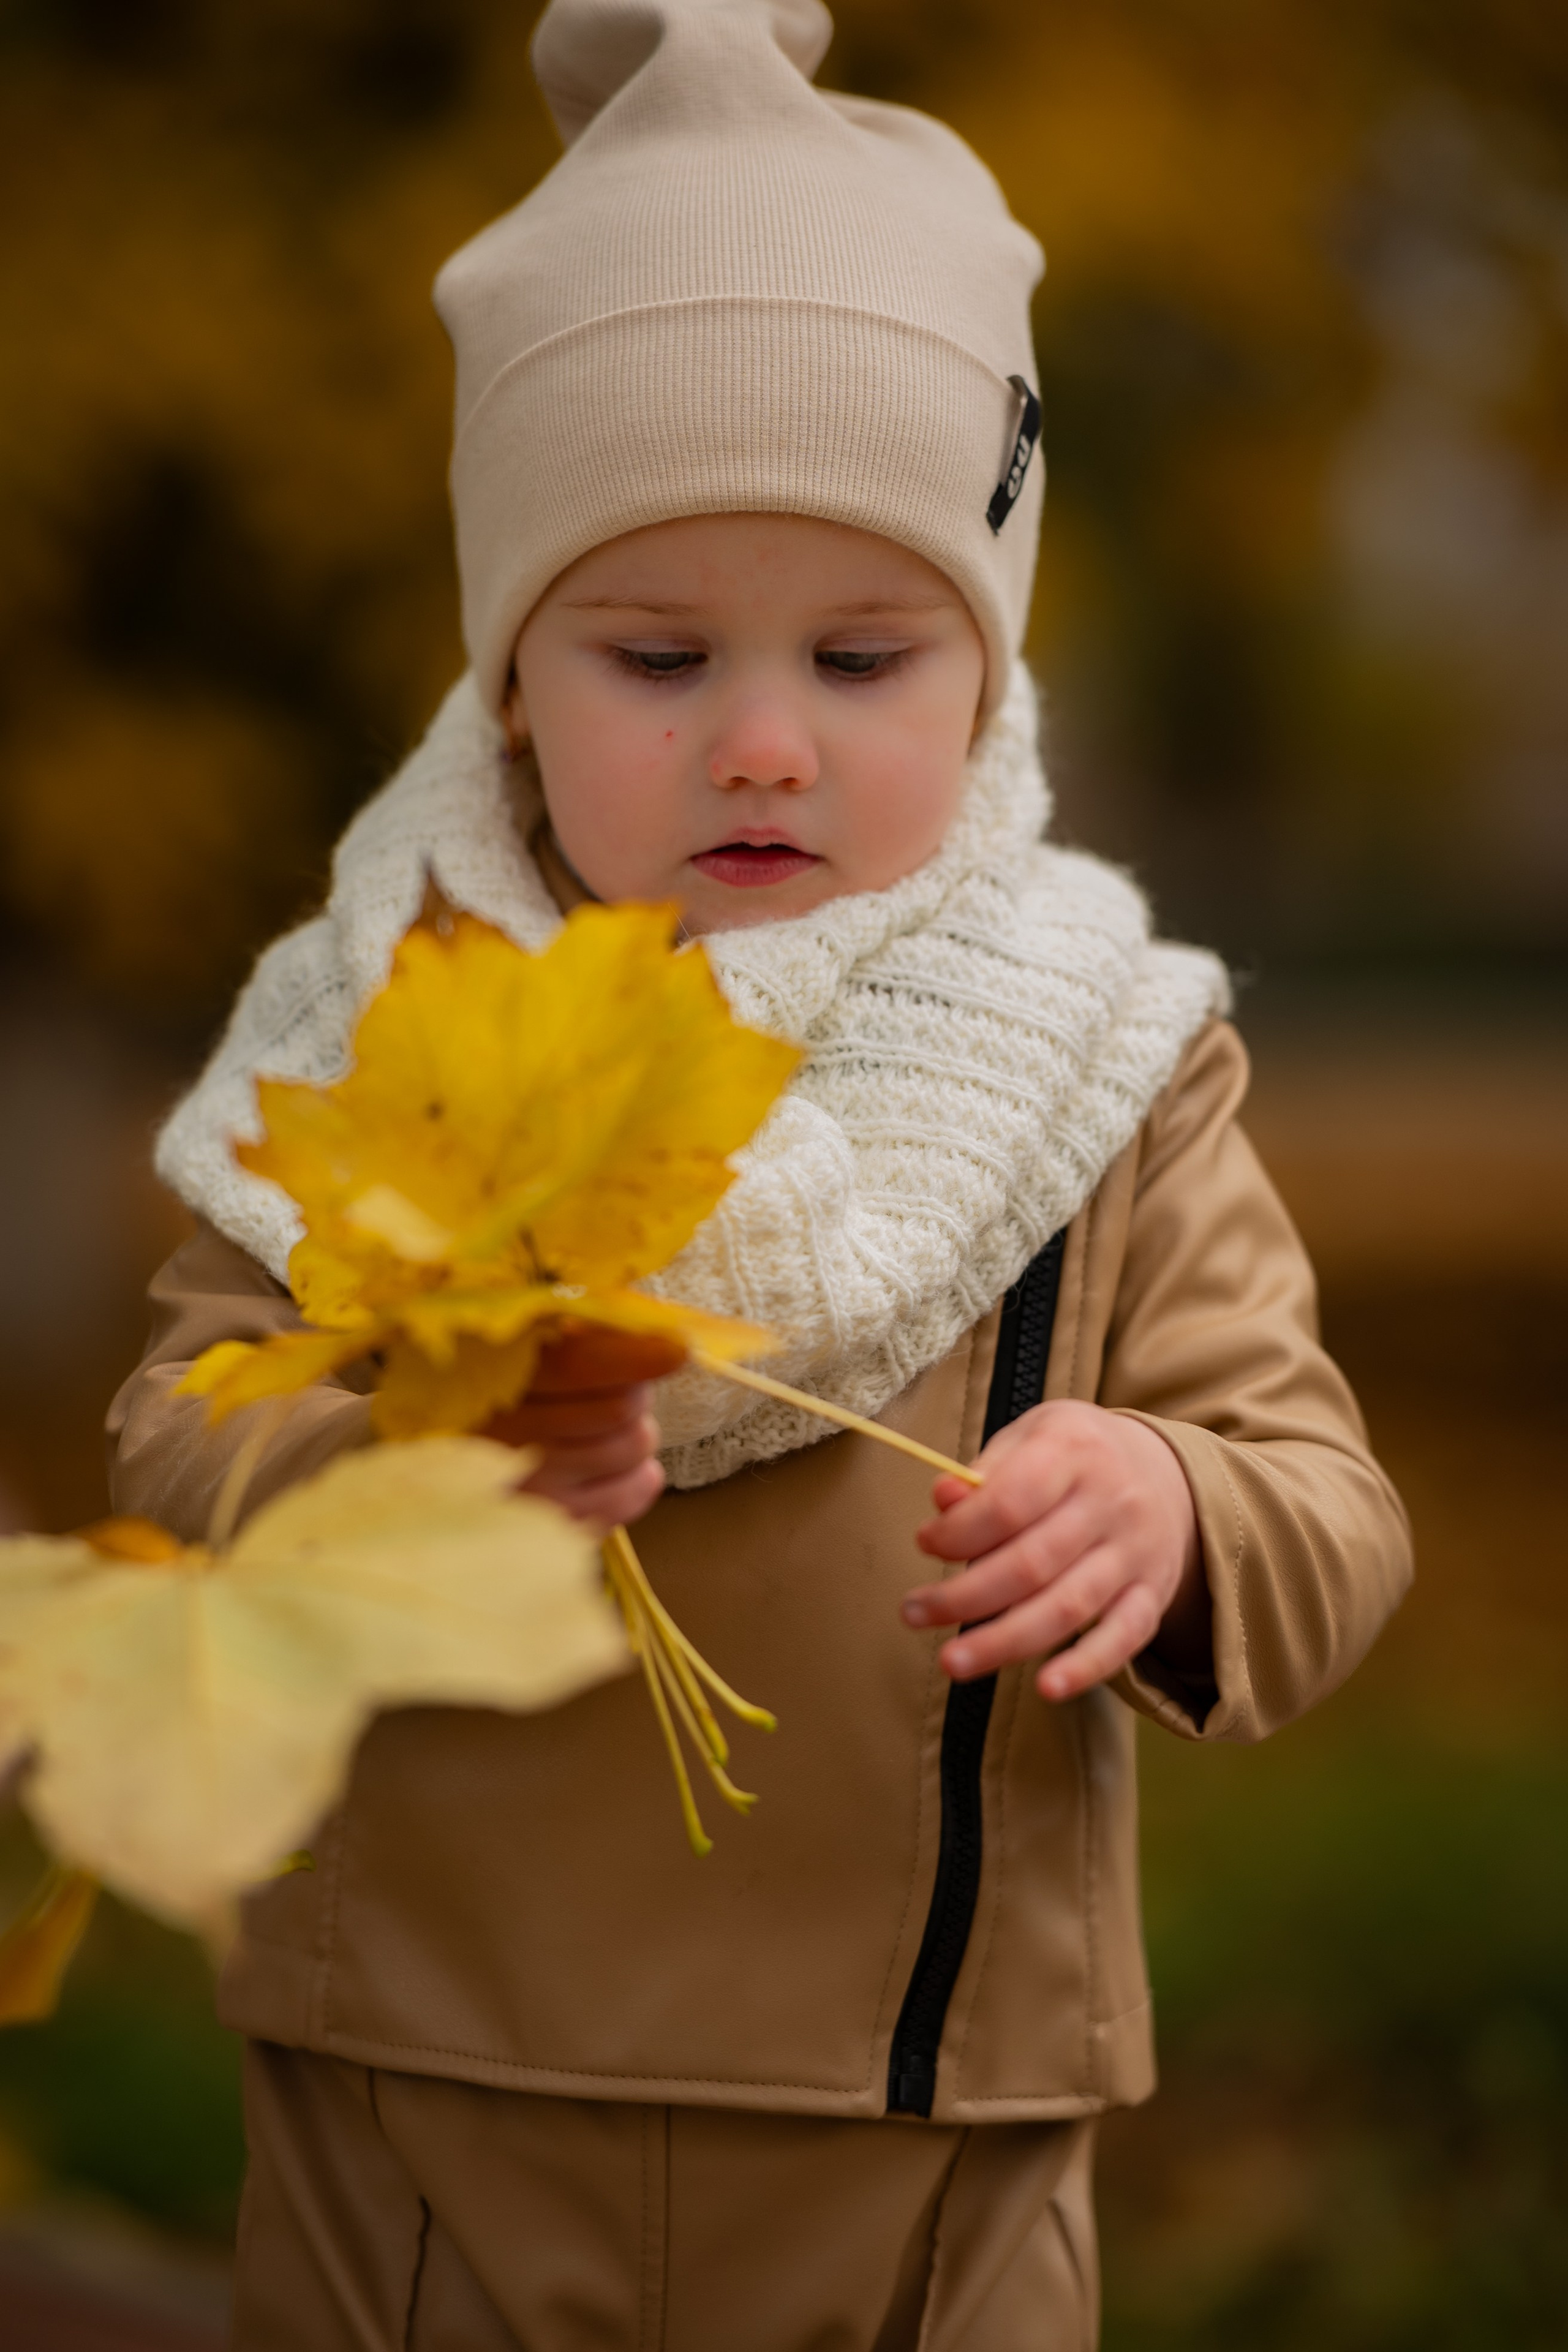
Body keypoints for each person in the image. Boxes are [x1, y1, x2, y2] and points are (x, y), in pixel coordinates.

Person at [108, 3, 1412, 2344]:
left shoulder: (1098, 1067)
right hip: (423, 2085)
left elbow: (1326, 1504)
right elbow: (182, 1429)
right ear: (511, 677)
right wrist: (400, 1459)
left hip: (927, 2118)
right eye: (653, 650)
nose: (767, 739)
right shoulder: (394, 1035)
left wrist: (1178, 1509)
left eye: (865, 648)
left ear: (992, 673)